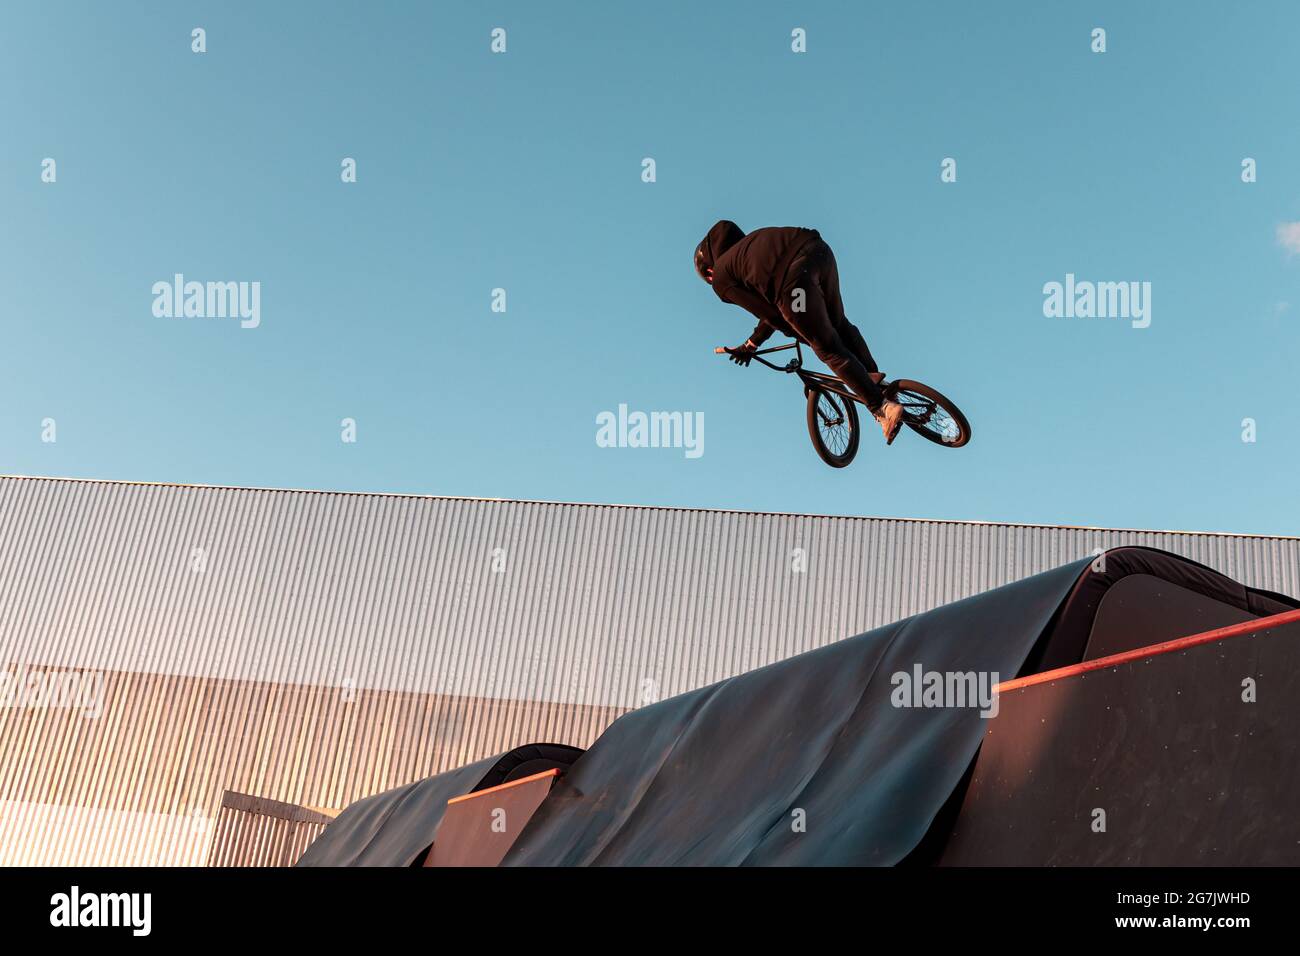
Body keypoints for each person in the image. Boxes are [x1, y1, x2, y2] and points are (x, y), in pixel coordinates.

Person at [695, 220, 904, 444]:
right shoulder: (753, 243)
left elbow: (772, 314)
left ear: (709, 270)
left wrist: (803, 334)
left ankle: (882, 408)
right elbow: (776, 308)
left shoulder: (721, 278)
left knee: (826, 347)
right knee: (839, 324)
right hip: (819, 251)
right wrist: (751, 344)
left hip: (794, 283)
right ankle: (879, 383)